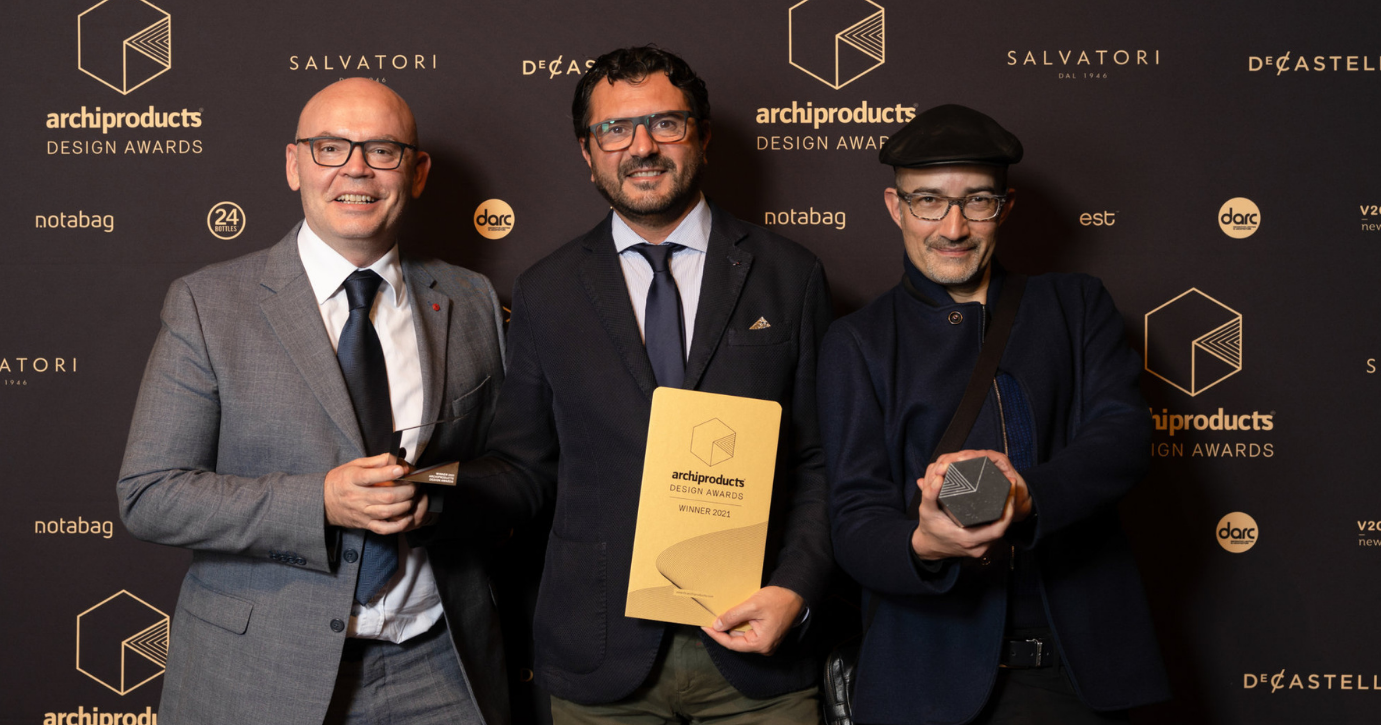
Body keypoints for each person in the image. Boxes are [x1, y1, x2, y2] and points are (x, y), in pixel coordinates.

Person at [439, 46, 833, 724]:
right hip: (600, 656)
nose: (642, 147)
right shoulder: (546, 290)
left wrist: (795, 589)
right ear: (587, 152)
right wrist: (432, 489)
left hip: (756, 651)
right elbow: (524, 467)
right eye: (615, 129)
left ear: (702, 137)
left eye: (665, 124)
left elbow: (822, 460)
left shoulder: (790, 275)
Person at [116, 78, 509, 725]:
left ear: (416, 172)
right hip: (261, 671)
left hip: (437, 665)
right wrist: (320, 502)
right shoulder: (208, 305)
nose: (356, 168)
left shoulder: (472, 300)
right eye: (331, 147)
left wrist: (435, 501)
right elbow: (150, 494)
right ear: (294, 164)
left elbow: (505, 470)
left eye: (382, 149)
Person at [819, 104, 1170, 724]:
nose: (953, 227)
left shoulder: (1075, 306)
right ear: (896, 207)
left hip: (1079, 674)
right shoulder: (858, 342)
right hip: (927, 685)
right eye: (929, 201)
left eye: (976, 201)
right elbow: (854, 518)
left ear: (1004, 208)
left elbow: (1122, 437)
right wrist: (923, 543)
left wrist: (1024, 496)